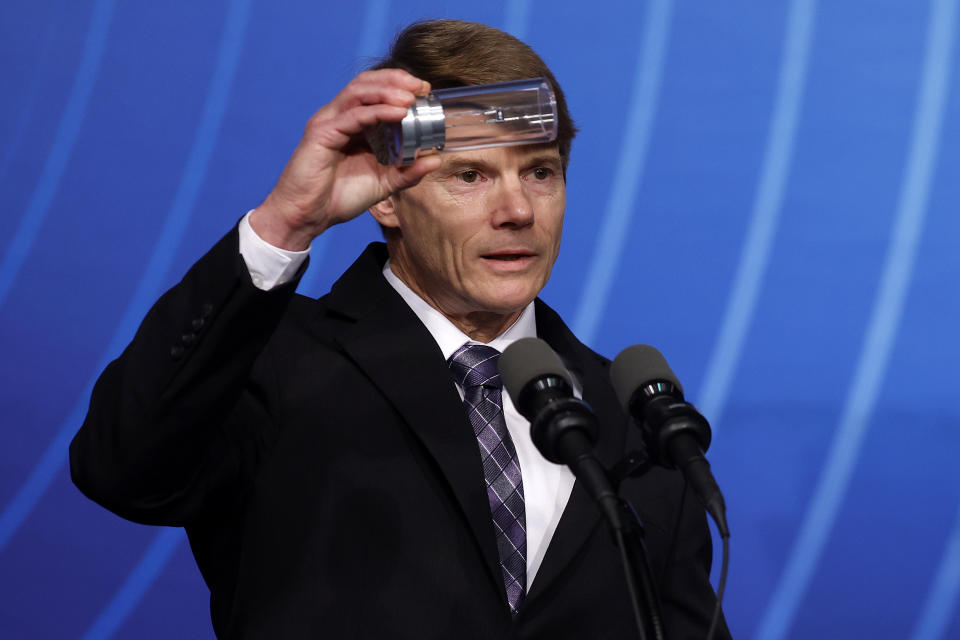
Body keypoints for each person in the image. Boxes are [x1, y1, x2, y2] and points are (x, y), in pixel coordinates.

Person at [71, 19, 730, 639]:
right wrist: (286, 223)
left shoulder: (633, 419)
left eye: (540, 172)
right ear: (386, 195)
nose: (517, 210)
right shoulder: (273, 359)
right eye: (469, 175)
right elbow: (121, 471)